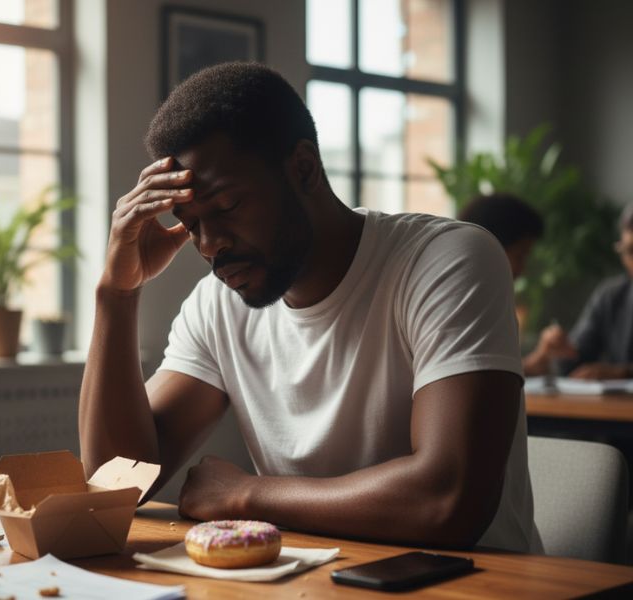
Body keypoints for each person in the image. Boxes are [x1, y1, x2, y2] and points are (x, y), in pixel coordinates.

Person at [79, 62, 542, 553]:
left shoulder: (445, 261)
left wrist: (246, 495)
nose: (210, 245)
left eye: (228, 207)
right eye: (190, 224)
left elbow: (447, 501)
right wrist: (117, 293)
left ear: (303, 167)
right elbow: (115, 485)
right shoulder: (217, 307)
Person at [456, 194, 569, 376]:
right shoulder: (456, 308)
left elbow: (484, 375)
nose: (521, 270)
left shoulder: (480, 303)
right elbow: (475, 380)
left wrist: (534, 363)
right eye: (520, 255)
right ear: (488, 248)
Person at [528, 204, 633, 379]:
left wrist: (624, 372)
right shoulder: (612, 296)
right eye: (630, 251)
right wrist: (557, 351)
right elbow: (575, 360)